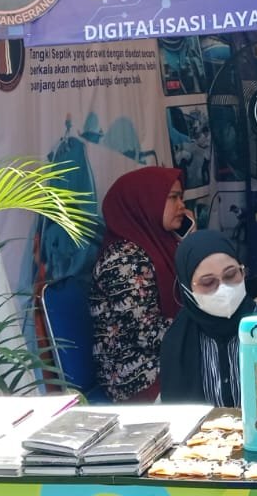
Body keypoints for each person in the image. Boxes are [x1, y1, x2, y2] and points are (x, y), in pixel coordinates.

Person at [88, 166, 190, 402]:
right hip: (137, 377)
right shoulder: (122, 260)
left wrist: (189, 239)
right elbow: (145, 333)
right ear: (145, 203)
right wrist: (203, 330)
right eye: (173, 197)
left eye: (181, 197)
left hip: (166, 359)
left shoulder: (161, 244)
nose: (182, 205)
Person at [158, 230, 257, 407]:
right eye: (208, 283)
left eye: (231, 275)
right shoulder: (177, 343)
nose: (224, 289)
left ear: (242, 272)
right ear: (187, 289)